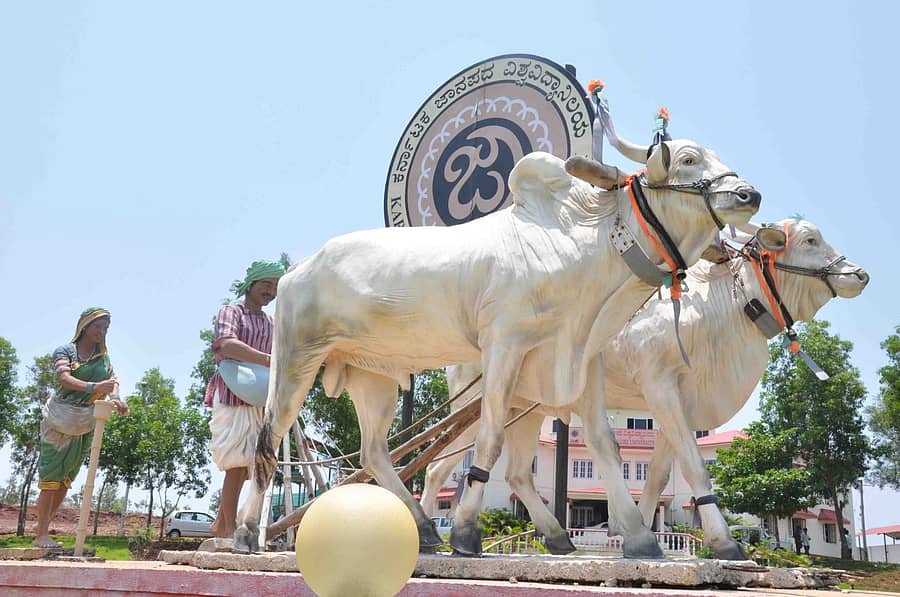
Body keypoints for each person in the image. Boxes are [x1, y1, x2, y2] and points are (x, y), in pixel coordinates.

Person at [33, 308, 128, 548]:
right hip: (59, 418)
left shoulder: (103, 358)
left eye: (106, 328)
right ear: (85, 325)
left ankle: (45, 529)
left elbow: (112, 382)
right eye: (98, 326)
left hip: (83, 423)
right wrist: (94, 387)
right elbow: (64, 379)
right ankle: (40, 534)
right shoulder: (66, 351)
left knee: (65, 480)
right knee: (50, 478)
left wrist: (116, 398)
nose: (102, 332)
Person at [205, 259, 286, 538]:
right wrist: (266, 359)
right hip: (232, 394)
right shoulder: (231, 312)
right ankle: (227, 528)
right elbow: (227, 344)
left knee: (252, 463)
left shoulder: (271, 322)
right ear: (251, 284)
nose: (270, 290)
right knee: (236, 462)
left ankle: (220, 523)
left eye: (275, 286)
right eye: (266, 284)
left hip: (259, 397)